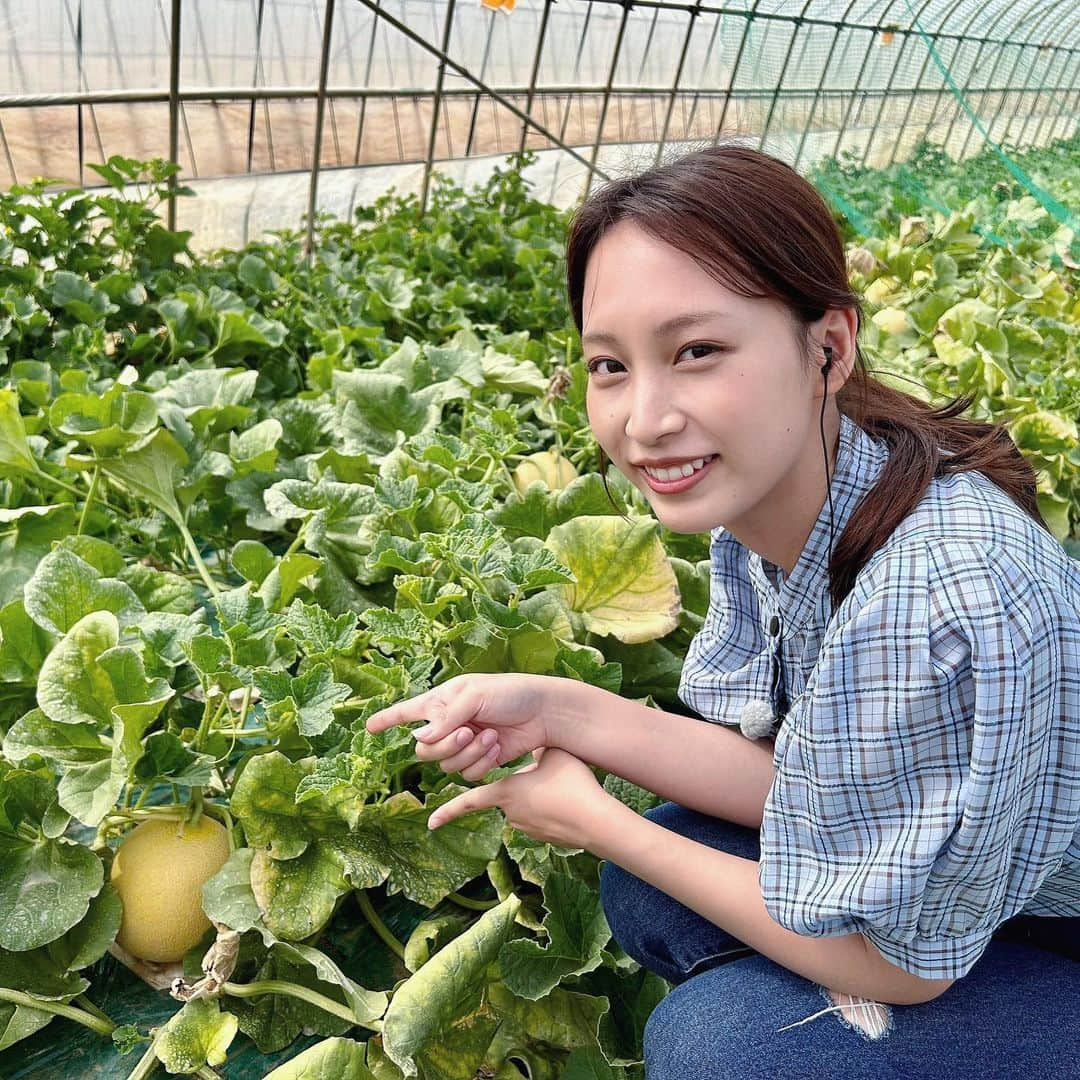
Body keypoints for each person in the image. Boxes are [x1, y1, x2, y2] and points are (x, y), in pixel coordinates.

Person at [366, 141, 1079, 1077]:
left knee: (721, 1048)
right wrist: (552, 707)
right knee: (657, 884)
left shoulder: (930, 593)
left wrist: (598, 820)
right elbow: (805, 778)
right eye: (610, 366)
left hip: (1046, 926)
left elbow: (906, 971)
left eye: (696, 351)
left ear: (828, 345)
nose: (645, 419)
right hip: (992, 886)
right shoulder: (801, 488)